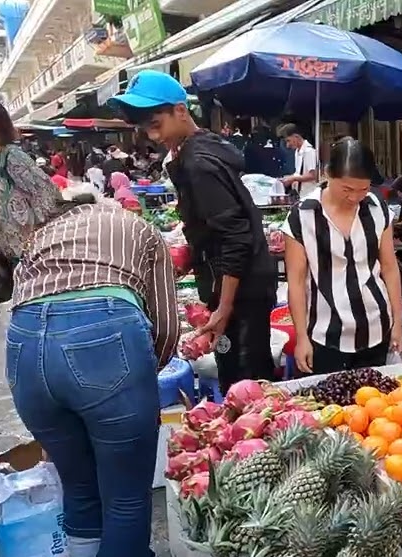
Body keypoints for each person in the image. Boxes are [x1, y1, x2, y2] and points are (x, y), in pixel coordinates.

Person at [6, 184, 185, 557]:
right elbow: (164, 326)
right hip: (102, 335)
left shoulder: (40, 236)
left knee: (78, 478)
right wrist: (141, 376)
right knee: (124, 489)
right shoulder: (138, 229)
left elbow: (23, 303)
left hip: (24, 347)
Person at [108, 70, 279, 387]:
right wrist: (191, 252)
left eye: (156, 125)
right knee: (249, 373)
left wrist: (224, 309)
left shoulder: (199, 163)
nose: (154, 137)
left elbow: (236, 237)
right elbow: (217, 226)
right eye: (147, 129)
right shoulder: (197, 150)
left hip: (241, 292)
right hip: (240, 284)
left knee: (246, 385)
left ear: (181, 111)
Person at [282, 138, 402, 374]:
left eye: (363, 189)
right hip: (325, 333)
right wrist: (301, 337)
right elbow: (295, 282)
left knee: (372, 404)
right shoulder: (303, 215)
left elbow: (389, 268)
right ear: (328, 175)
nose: (355, 197)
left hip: (376, 327)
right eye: (347, 189)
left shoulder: (377, 208)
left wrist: (397, 323)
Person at [0, 97, 61, 260]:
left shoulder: (12, 156)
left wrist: (39, 237)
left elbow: (49, 196)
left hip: (29, 252)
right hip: (1, 250)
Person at [278, 123, 319, 199]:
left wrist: (294, 178)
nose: (288, 145)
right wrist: (289, 178)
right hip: (300, 195)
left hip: (309, 195)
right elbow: (299, 173)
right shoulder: (297, 152)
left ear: (296, 137)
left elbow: (313, 175)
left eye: (288, 140)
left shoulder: (309, 151)